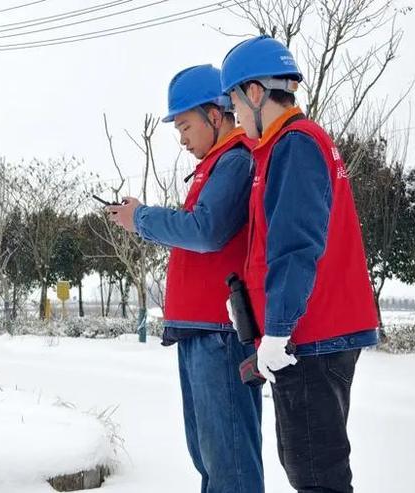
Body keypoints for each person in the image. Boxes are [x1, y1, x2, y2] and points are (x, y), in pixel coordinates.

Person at [220, 35, 379, 492]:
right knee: (309, 468)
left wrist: (278, 331)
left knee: (316, 476)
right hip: (312, 334)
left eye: (233, 101)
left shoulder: (295, 146)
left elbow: (295, 245)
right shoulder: (284, 148)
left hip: (311, 337)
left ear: (255, 93)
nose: (233, 117)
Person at [107, 64, 263, 493]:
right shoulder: (214, 165)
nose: (181, 137)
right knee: (210, 457)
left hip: (221, 333)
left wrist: (140, 218)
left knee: (229, 461)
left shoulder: (234, 161)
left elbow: (205, 231)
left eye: (185, 125)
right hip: (200, 331)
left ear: (216, 115)